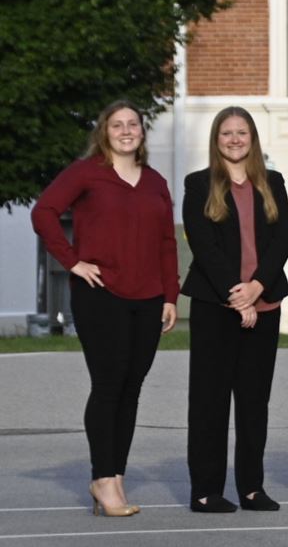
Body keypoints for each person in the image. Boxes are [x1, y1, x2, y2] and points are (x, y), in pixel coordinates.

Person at [31, 100, 179, 517]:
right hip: (101, 294)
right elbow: (44, 212)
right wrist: (72, 261)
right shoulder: (86, 173)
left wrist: (171, 296)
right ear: (105, 131)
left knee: (131, 389)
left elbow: (167, 242)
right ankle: (102, 476)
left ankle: (115, 477)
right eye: (118, 124)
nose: (127, 130)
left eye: (133, 124)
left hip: (149, 298)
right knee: (109, 383)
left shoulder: (154, 182)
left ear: (142, 132)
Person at [181, 107, 288, 513]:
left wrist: (258, 288)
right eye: (226, 133)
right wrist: (238, 296)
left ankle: (251, 488)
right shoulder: (198, 185)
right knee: (209, 401)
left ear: (252, 138)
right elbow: (204, 247)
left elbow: (284, 238)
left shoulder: (273, 182)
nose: (234, 139)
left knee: (253, 402)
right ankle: (206, 490)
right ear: (216, 140)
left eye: (241, 132)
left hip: (266, 304)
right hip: (216, 305)